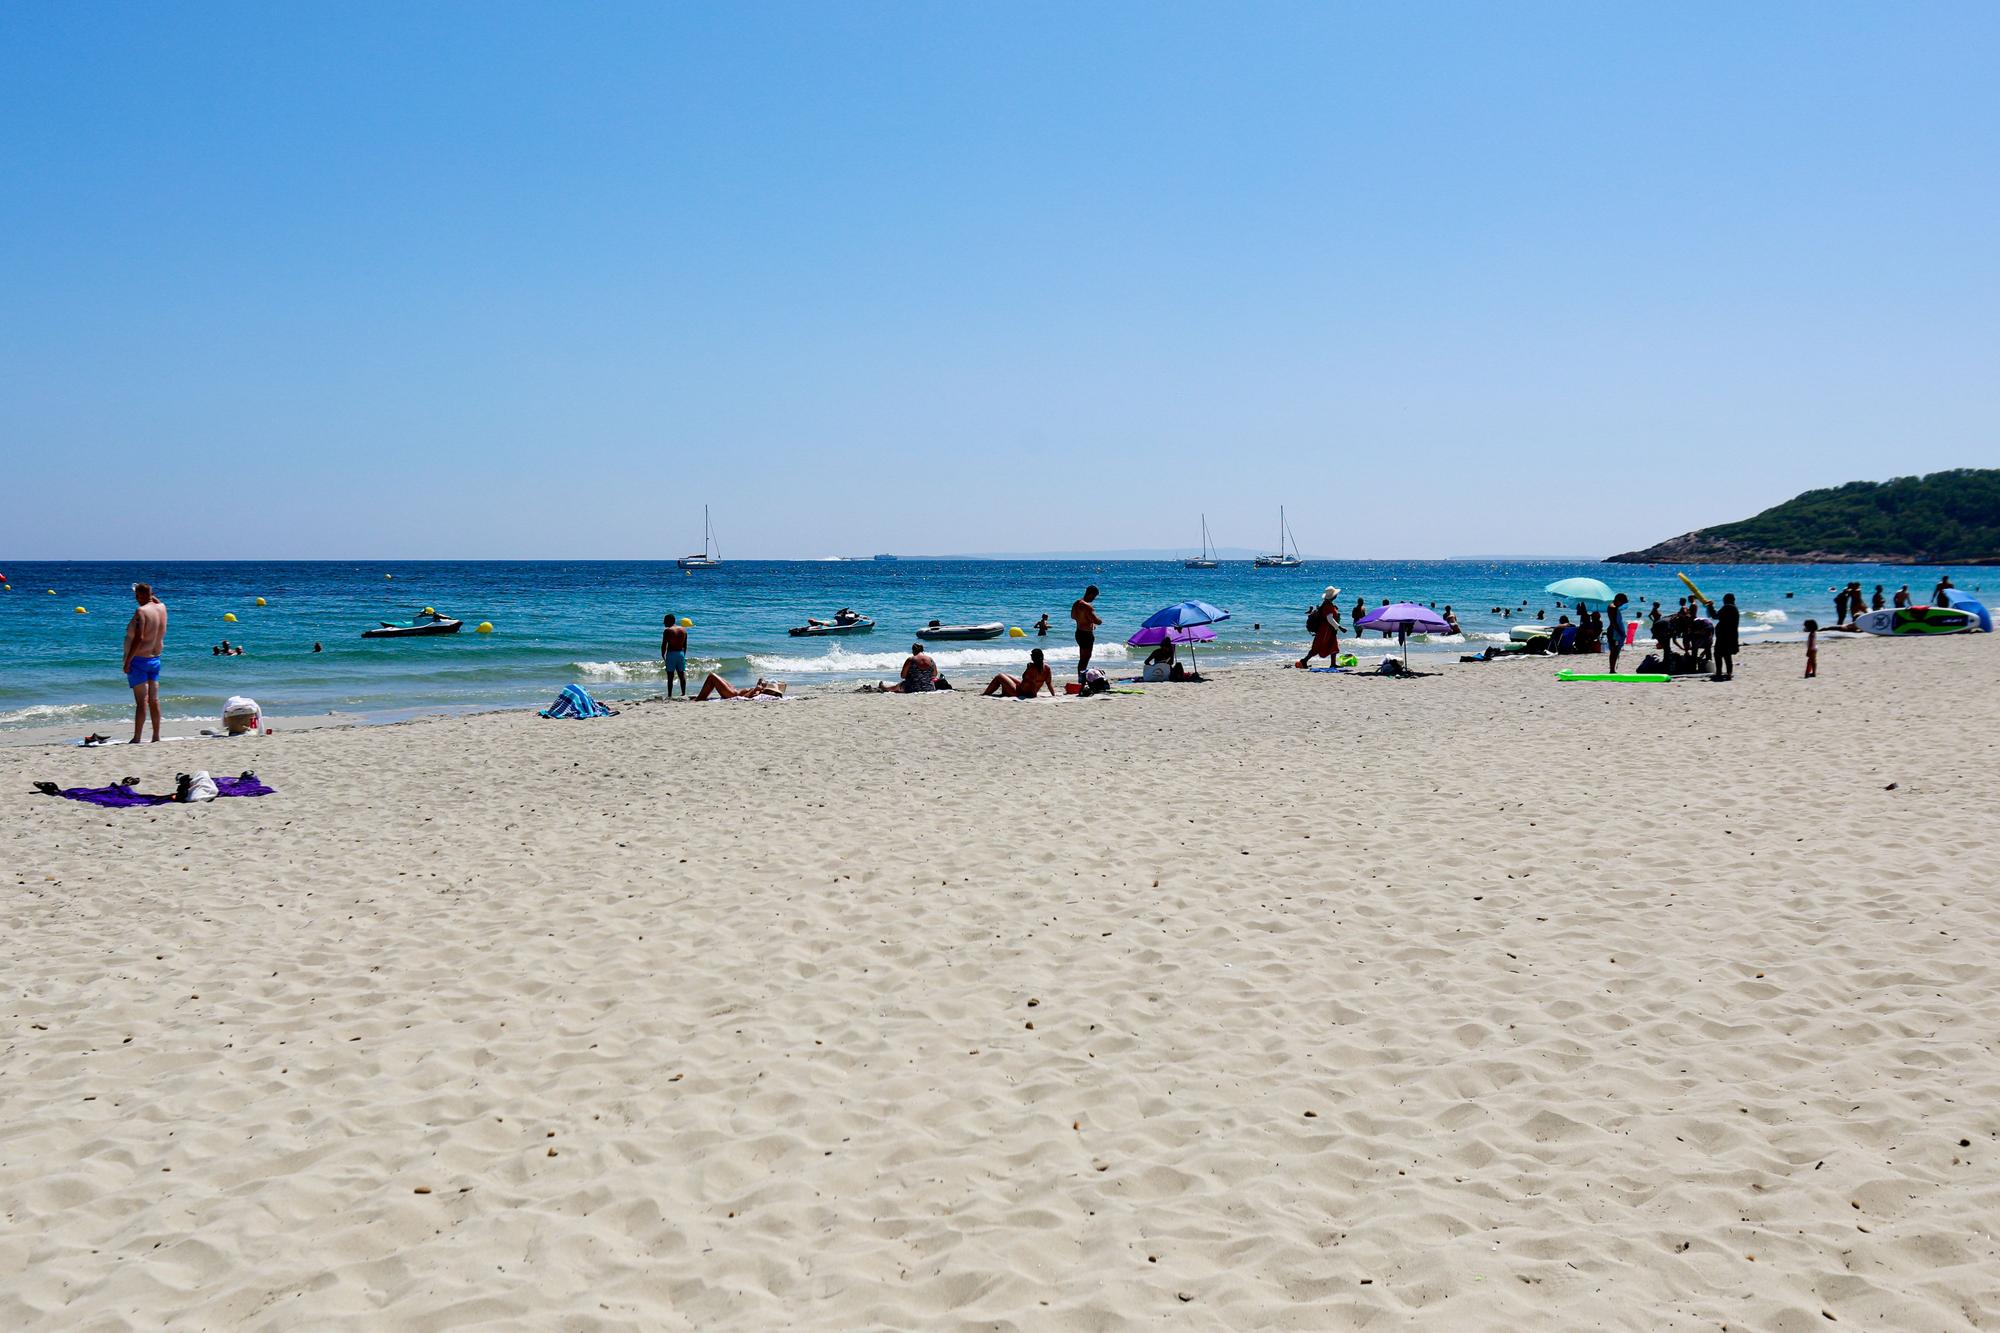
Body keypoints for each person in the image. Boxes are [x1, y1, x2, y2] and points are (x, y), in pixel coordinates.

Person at [122, 582, 167, 744]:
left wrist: (127, 661)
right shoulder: (162, 607)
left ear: (139, 596)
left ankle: (137, 737)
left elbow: (139, 638)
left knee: (141, 702)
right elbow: (156, 600)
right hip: (155, 659)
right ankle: (156, 736)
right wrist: (149, 594)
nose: (135, 599)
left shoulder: (141, 611)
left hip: (139, 660)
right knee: (154, 700)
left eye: (136, 595)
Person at [1295, 586, 1342, 669]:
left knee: (1333, 644)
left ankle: (1333, 663)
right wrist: (1340, 627)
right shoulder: (1328, 606)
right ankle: (1304, 661)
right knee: (1317, 647)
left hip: (1329, 629)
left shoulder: (1328, 605)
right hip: (1325, 630)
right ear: (1334, 596)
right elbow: (1330, 619)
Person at [985, 647, 1056, 697]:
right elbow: (1049, 684)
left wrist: (1028, 668)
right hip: (1027, 691)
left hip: (1020, 692)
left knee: (999, 676)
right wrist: (1053, 695)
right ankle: (1004, 692)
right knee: (1005, 676)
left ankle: (985, 694)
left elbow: (1026, 679)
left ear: (1033, 658)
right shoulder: (1047, 668)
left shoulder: (1032, 668)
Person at [870, 643, 939, 693]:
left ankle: (885, 688)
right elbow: (934, 674)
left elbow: (902, 676)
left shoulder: (911, 659)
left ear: (913, 650)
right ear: (922, 650)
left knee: (899, 685)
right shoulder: (930, 659)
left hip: (913, 688)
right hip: (929, 687)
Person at [1071, 586, 1102, 681]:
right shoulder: (1087, 606)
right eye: (1094, 596)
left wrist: (1086, 621)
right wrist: (1099, 621)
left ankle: (1081, 678)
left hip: (1079, 632)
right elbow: (1096, 621)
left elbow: (1073, 616)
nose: (1094, 599)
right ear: (1091, 594)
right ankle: (1082, 679)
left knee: (1082, 659)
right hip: (1086, 634)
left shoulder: (1076, 603)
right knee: (1085, 659)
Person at [694, 672, 785, 700]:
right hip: (734, 690)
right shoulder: (761, 691)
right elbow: (760, 681)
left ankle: (698, 699)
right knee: (713, 677)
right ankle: (700, 697)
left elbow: (744, 697)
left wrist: (754, 690)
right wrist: (760, 683)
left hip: (732, 694)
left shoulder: (757, 694)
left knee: (712, 677)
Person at [1712, 592, 1740, 681]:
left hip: (1723, 635)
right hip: (1731, 635)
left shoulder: (1727, 607)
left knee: (1718, 654)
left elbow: (1715, 616)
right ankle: (1729, 673)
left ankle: (1719, 672)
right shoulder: (1735, 609)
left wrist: (1710, 606)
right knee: (1727, 655)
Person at [660, 613, 689, 698]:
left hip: (671, 654)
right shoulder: (684, 630)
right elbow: (685, 645)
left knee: (670, 676)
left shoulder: (668, 631)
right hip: (681, 653)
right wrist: (683, 655)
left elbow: (664, 644)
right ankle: (683, 693)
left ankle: (670, 695)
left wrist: (663, 654)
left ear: (669, 621)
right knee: (681, 674)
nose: (664, 623)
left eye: (665, 621)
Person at [1606, 593, 1629, 672]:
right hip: (1614, 632)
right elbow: (1614, 623)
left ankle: (1612, 669)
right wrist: (1620, 632)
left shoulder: (1615, 608)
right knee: (1614, 650)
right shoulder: (1613, 607)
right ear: (1618, 600)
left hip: (1616, 632)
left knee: (1616, 650)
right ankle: (1612, 670)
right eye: (1622, 602)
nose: (1622, 604)